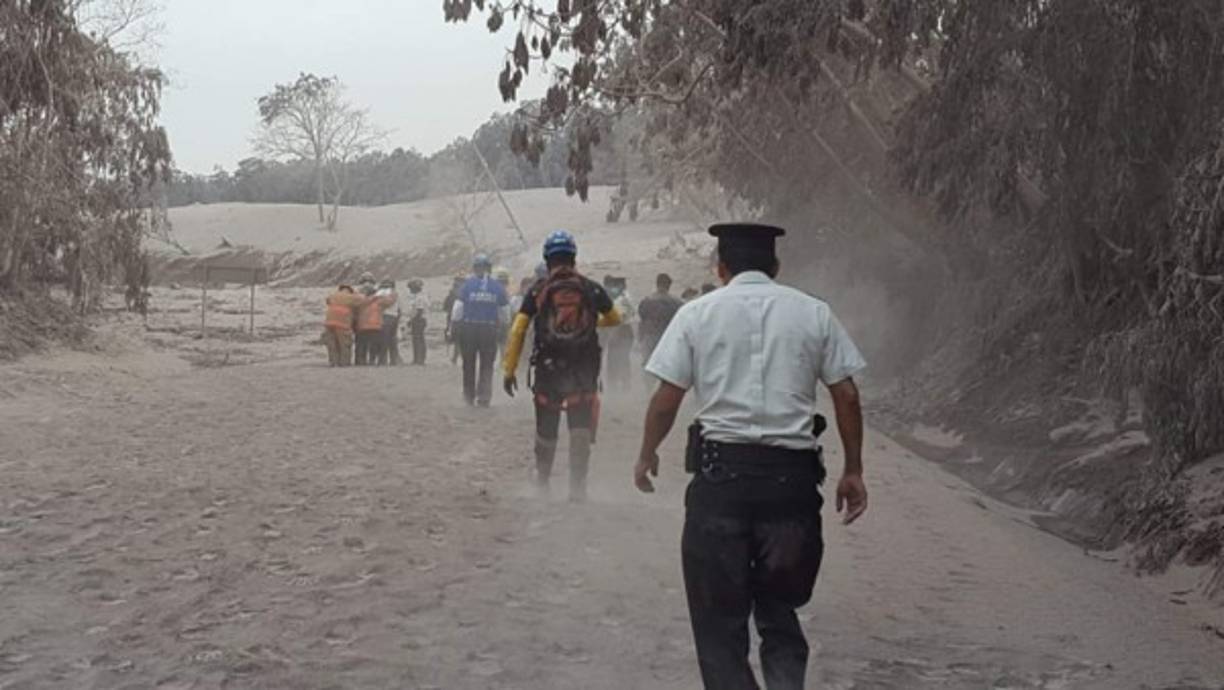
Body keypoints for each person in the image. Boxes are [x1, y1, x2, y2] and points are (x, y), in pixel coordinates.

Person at [634, 223, 868, 690]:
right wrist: (853, 470)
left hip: (721, 487)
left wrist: (647, 453)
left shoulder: (696, 314)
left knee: (719, 626)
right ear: (776, 266)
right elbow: (846, 394)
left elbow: (666, 399)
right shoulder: (814, 313)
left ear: (720, 268)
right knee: (780, 610)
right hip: (792, 489)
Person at [502, 230, 622, 501]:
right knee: (580, 428)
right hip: (584, 369)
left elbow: (518, 330)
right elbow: (615, 318)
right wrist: (593, 322)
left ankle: (543, 483)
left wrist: (509, 370)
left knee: (546, 427)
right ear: (573, 256)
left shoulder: (538, 290)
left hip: (549, 368)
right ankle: (577, 488)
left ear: (547, 259)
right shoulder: (591, 288)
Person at [451, 254, 509, 406]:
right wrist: (504, 327)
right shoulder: (497, 287)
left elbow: (457, 309)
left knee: (468, 363)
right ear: (489, 268)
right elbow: (505, 313)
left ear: (475, 268)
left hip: (469, 328)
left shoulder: (467, 285)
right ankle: (484, 396)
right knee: (487, 364)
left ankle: (468, 395)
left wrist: (454, 326)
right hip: (489, 329)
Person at [637, 273, 684, 372]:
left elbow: (642, 319)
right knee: (666, 367)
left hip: (649, 336)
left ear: (657, 284)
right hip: (667, 338)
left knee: (648, 365)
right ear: (669, 285)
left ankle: (647, 382)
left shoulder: (646, 301)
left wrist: (640, 337)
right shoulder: (677, 302)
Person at [603, 276, 636, 392]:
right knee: (624, 358)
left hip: (619, 331)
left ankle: (614, 386)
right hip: (626, 331)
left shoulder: (619, 298)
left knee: (614, 359)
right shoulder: (626, 297)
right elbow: (632, 313)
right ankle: (625, 384)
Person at [322, 283, 366, 367]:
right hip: (342, 323)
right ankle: (344, 363)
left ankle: (333, 363)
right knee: (344, 345)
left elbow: (327, 300)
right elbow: (363, 300)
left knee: (332, 345)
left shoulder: (333, 295)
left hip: (329, 322)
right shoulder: (351, 297)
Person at [355, 280, 395, 366]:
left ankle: (361, 361)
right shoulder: (378, 301)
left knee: (363, 345)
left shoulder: (361, 301)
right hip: (375, 325)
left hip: (363, 325)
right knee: (373, 345)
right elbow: (390, 301)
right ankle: (372, 360)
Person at [376, 279, 401, 366]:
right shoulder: (394, 293)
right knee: (391, 340)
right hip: (394, 317)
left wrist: (378, 300)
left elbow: (386, 303)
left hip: (387, 317)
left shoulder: (390, 293)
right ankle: (393, 360)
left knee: (384, 339)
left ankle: (383, 360)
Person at [404, 278, 430, 366]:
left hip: (419, 320)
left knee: (418, 339)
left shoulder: (420, 297)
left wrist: (411, 320)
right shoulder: (419, 296)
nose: (410, 290)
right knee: (417, 339)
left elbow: (419, 311)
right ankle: (417, 359)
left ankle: (420, 359)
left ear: (415, 288)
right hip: (418, 319)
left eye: (411, 288)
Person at [443, 274, 465, 365]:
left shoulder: (453, 294)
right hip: (458, 318)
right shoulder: (464, 293)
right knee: (458, 340)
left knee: (458, 340)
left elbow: (445, 307)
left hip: (456, 319)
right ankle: (456, 358)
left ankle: (456, 358)